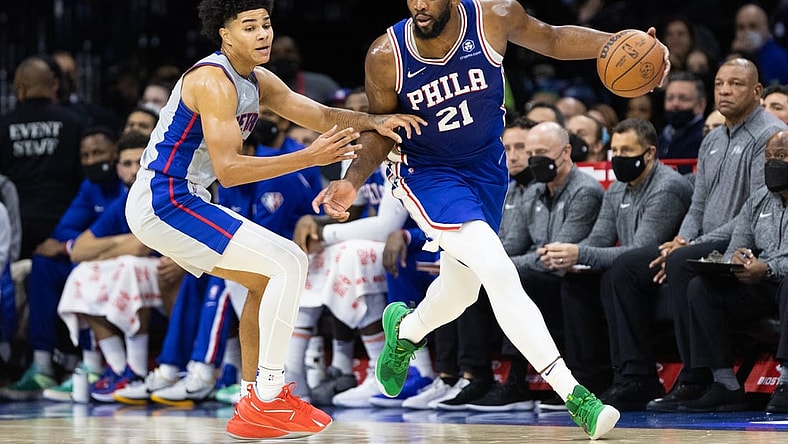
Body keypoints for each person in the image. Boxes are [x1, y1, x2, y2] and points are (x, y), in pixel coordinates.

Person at [313, 0, 670, 438]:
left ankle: (404, 330)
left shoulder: (495, 17)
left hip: (486, 168)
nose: (419, 5)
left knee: (461, 292)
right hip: (428, 174)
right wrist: (351, 181)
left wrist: (621, 43)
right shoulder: (386, 55)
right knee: (499, 271)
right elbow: (379, 129)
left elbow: (554, 39)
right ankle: (576, 396)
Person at [123, 1, 424, 440]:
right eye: (249, 27)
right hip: (164, 197)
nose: (263, 34)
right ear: (225, 35)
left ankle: (251, 402)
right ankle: (269, 396)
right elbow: (228, 170)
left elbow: (319, 116)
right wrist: (308, 156)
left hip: (181, 198)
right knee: (290, 261)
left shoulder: (257, 80)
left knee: (265, 279)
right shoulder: (212, 80)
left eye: (266, 24)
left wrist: (378, 120)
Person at [603, 58, 785, 414]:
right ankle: (636, 375)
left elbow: (753, 213)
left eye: (735, 84)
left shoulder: (768, 135)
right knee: (623, 269)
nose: (726, 91)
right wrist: (684, 238)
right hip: (700, 239)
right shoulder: (713, 138)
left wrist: (688, 247)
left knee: (681, 262)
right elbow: (698, 204)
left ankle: (696, 375)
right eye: (720, 84)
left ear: (757, 91)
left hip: (742, 240)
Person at [541, 118, 693, 411]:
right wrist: (570, 255)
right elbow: (599, 238)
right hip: (629, 273)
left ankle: (638, 377)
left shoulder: (668, 187)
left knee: (619, 272)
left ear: (649, 153)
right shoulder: (617, 189)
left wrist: (580, 253)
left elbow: (641, 251)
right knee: (576, 280)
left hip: (663, 273)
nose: (619, 158)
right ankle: (588, 377)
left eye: (627, 151)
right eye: (615, 151)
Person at [0, 125, 125, 401]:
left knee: (85, 271)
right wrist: (80, 245)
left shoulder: (126, 184)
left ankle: (91, 366)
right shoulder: (90, 186)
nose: (92, 160)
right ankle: (42, 364)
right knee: (43, 264)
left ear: (114, 152)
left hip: (118, 263)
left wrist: (83, 245)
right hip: (90, 257)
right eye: (86, 155)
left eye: (99, 153)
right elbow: (62, 232)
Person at [676, 130, 788, 413]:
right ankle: (725, 384)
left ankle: (786, 380)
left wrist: (768, 268)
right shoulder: (758, 199)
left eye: (783, 156)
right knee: (701, 287)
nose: (774, 163)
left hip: (780, 280)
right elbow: (736, 246)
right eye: (769, 157)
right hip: (759, 282)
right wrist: (736, 261)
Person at [0, 55, 86, 260]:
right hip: (63, 223)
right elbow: (82, 176)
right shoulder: (74, 123)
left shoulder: (3, 126)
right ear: (54, 85)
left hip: (16, 223)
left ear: (19, 88)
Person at [267, 35, 341, 105]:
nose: (282, 57)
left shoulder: (322, 84)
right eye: (275, 53)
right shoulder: (261, 85)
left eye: (288, 52)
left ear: (299, 56)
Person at [657, 72, 707, 174]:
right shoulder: (661, 136)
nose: (675, 104)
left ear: (700, 105)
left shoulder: (705, 137)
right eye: (670, 98)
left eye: (683, 98)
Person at [729, 3, 788, 86]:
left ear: (766, 28)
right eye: (741, 27)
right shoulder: (731, 58)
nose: (746, 32)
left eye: (753, 26)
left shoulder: (781, 58)